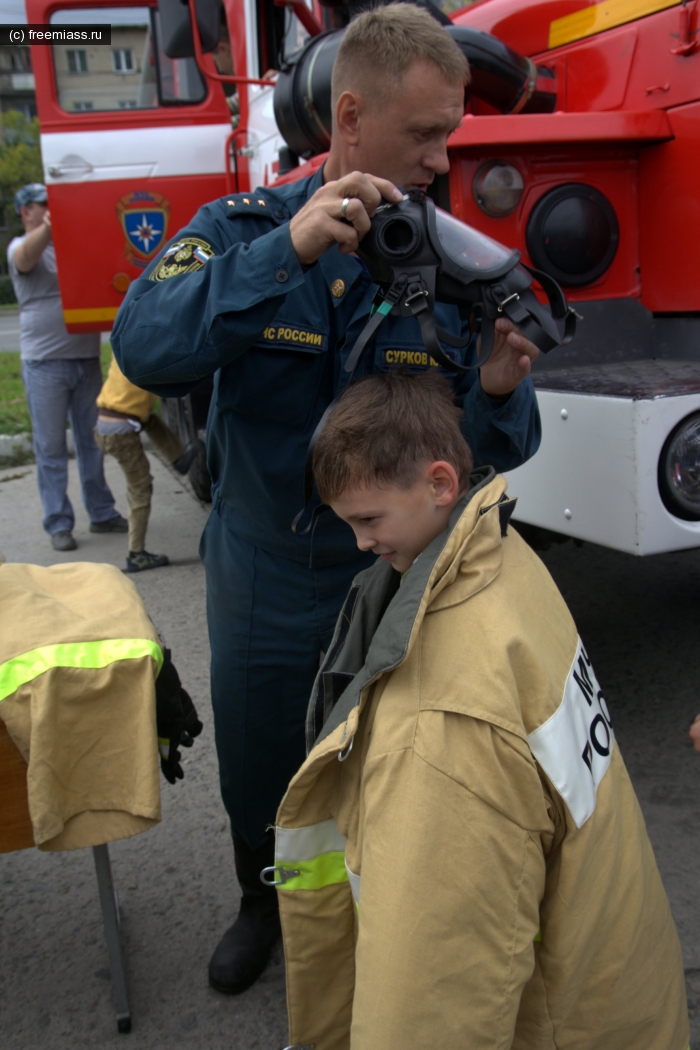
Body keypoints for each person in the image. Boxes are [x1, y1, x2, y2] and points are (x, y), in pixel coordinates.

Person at [112, 4, 543, 994]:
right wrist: (288, 254)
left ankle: (377, 912)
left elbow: (480, 458)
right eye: (425, 133)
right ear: (350, 114)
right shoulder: (239, 231)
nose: (442, 158)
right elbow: (142, 346)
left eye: (450, 135)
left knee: (394, 763)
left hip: (387, 580)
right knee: (261, 761)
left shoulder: (445, 263)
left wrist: (493, 394)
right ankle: (263, 904)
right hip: (262, 567)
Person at [271, 370, 690, 1050]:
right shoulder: (504, 557)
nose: (359, 544)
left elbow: (432, 999)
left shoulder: (439, 726)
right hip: (616, 984)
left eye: (369, 519)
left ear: (439, 484)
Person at [8, 183, 127, 552]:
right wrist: (49, 225)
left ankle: (102, 511)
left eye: (50, 203)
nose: (47, 208)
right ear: (25, 212)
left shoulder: (68, 248)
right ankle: (59, 523)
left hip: (85, 359)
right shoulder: (21, 246)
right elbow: (25, 258)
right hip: (44, 364)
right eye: (40, 205)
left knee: (92, 444)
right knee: (51, 447)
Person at [95, 354, 197, 573]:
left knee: (149, 418)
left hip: (104, 421)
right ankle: (136, 554)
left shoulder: (126, 348)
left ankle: (179, 458)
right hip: (121, 433)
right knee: (140, 490)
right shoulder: (154, 357)